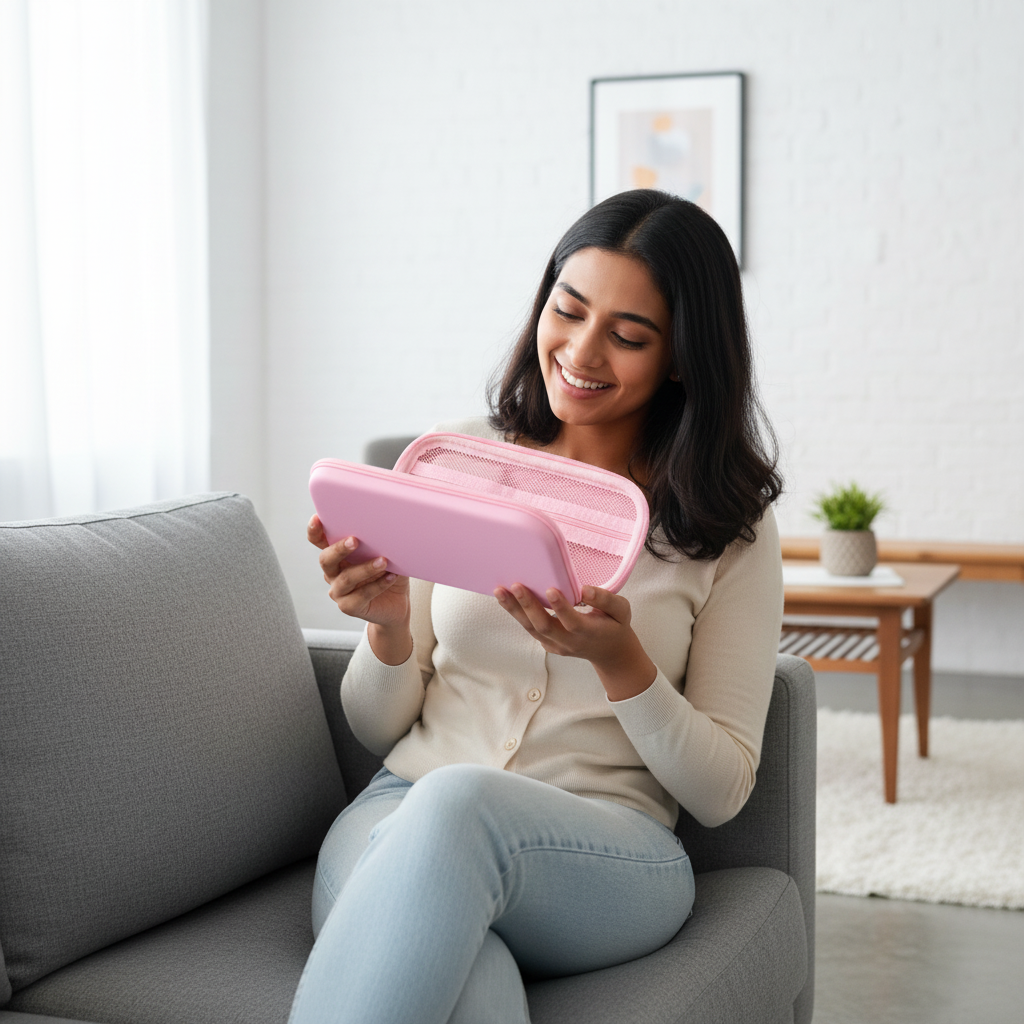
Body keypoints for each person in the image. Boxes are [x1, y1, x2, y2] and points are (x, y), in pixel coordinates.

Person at [291, 189, 784, 1024]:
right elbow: (380, 731)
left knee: (459, 801)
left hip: (608, 854)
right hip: (395, 812)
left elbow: (721, 791)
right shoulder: (460, 462)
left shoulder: (727, 527)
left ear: (680, 358)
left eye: (628, 336)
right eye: (569, 310)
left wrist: (620, 664)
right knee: (468, 972)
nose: (582, 351)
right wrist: (388, 627)